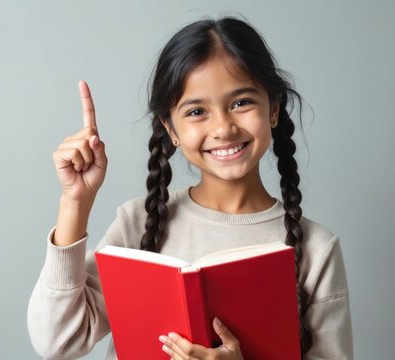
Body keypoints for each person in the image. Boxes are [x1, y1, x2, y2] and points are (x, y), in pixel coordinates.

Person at [27, 15, 352, 360]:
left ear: (273, 108)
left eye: (241, 102)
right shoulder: (137, 224)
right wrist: (75, 202)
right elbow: (57, 341)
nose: (223, 128)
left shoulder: (317, 249)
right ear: (171, 129)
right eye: (197, 111)